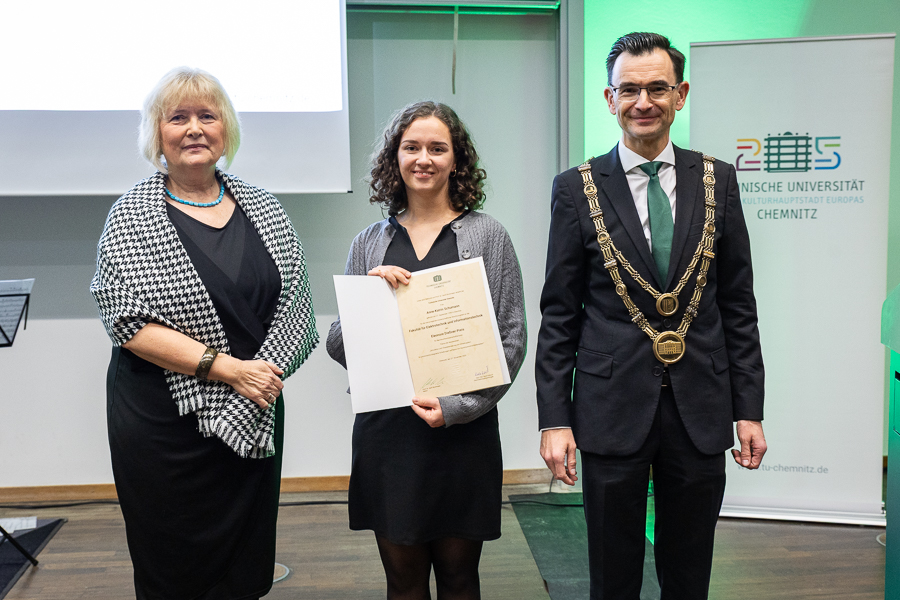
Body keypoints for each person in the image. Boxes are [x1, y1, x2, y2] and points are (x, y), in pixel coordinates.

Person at [535, 32, 767, 599]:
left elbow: (737, 303)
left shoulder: (719, 180)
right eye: (630, 89)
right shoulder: (576, 188)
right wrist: (554, 418)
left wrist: (750, 409)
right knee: (613, 574)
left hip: (702, 405)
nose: (644, 101)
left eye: (657, 88)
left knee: (690, 571)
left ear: (680, 94)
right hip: (610, 405)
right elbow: (560, 313)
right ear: (610, 99)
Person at [90, 67, 317, 600]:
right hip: (161, 423)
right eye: (178, 117)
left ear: (225, 132)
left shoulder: (265, 207)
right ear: (158, 135)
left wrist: (255, 378)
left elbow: (298, 308)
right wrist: (227, 370)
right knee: (173, 568)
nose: (194, 128)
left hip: (254, 408)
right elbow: (125, 320)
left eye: (207, 116)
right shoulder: (130, 215)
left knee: (244, 564)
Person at [326, 101, 526, 600]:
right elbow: (335, 343)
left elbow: (511, 340)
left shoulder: (488, 234)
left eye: (438, 148)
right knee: (403, 583)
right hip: (389, 438)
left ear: (457, 160)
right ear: (394, 157)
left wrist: (459, 408)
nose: (424, 158)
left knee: (460, 580)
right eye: (411, 147)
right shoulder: (369, 243)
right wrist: (369, 298)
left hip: (462, 436)